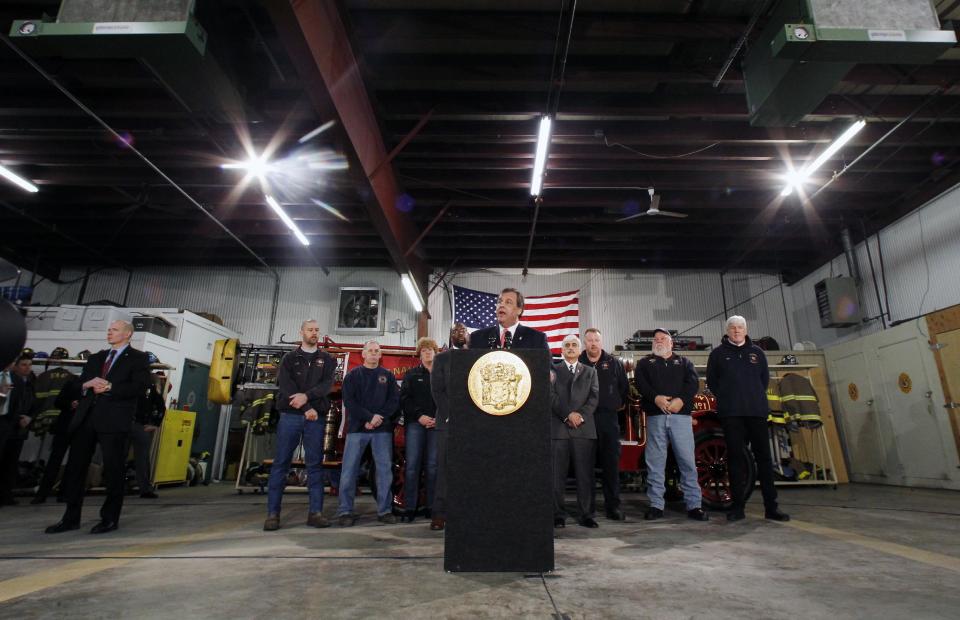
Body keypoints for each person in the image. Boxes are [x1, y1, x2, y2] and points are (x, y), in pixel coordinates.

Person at [45, 320, 151, 534]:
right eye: (109, 329)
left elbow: (140, 387)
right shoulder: (96, 358)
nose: (109, 332)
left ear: (128, 334)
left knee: (113, 470)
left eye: (115, 329)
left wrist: (111, 387)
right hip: (86, 419)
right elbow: (78, 384)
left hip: (114, 420)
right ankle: (70, 517)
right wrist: (86, 385)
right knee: (76, 470)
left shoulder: (138, 359)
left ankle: (110, 518)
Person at [706, 316, 790, 523]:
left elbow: (763, 380)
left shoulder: (757, 353)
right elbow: (712, 382)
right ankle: (737, 507)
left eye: (740, 327)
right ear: (727, 331)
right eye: (733, 328)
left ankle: (771, 507)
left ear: (746, 330)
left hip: (756, 413)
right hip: (731, 414)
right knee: (735, 460)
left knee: (764, 460)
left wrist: (751, 398)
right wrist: (729, 399)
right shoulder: (717, 354)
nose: (736, 331)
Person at [264, 320, 336, 531]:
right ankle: (273, 515)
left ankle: (315, 513)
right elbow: (286, 386)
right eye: (310, 330)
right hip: (291, 415)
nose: (314, 333)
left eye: (316, 330)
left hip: (316, 417)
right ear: (301, 332)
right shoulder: (289, 358)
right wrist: (306, 408)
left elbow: (326, 386)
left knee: (315, 465)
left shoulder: (327, 359)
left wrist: (306, 397)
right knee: (281, 464)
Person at [634, 328, 708, 522]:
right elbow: (641, 384)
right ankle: (656, 505)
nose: (658, 341)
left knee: (687, 461)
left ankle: (694, 505)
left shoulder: (684, 363)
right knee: (655, 462)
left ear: (671, 343)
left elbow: (692, 384)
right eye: (656, 339)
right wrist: (656, 398)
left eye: (663, 338)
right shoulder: (644, 363)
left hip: (681, 417)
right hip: (656, 417)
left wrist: (680, 401)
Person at [336, 340, 400, 526]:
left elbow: (394, 401)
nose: (373, 353)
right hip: (357, 429)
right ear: (363, 354)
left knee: (384, 471)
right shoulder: (353, 376)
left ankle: (385, 511)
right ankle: (345, 511)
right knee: (349, 471)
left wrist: (379, 417)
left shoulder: (387, 376)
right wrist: (368, 418)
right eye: (370, 350)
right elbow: (349, 401)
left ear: (381, 355)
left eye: (377, 351)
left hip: (382, 430)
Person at [579, 328, 630, 520]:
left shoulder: (613, 363)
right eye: (590, 340)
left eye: (596, 340)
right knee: (586, 466)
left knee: (610, 465)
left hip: (608, 419)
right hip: (585, 420)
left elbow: (623, 389)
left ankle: (613, 507)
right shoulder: (579, 362)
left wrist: (614, 404)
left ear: (601, 342)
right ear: (585, 343)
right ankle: (587, 509)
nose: (593, 343)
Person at [551, 335, 599, 528]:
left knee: (585, 475)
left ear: (580, 350)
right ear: (561, 350)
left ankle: (586, 514)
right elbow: (550, 395)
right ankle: (557, 514)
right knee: (556, 476)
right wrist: (567, 415)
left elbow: (594, 398)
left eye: (574, 345)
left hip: (583, 430)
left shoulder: (590, 372)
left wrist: (580, 416)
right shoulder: (553, 370)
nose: (570, 348)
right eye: (567, 345)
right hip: (559, 430)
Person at [399, 337, 439, 522]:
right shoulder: (411, 375)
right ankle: (409, 508)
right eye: (424, 350)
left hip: (436, 425)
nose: (427, 352)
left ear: (435, 352)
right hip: (416, 424)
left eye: (430, 349)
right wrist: (419, 416)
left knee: (432, 467)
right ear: (419, 353)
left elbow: (448, 399)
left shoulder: (442, 375)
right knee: (412, 467)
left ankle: (431, 507)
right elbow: (405, 399)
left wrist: (439, 418)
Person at [32, 374, 82, 504]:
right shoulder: (72, 384)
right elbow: (58, 402)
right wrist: (71, 404)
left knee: (74, 463)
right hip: (65, 427)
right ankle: (42, 493)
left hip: (81, 429)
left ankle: (64, 493)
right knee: (55, 460)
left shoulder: (98, 386)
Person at [0, 354, 34, 506]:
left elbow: (21, 403)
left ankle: (6, 495)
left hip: (12, 425)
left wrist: (26, 417)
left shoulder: (18, 381)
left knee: (10, 463)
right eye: (23, 364)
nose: (27, 368)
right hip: (4, 423)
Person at [468, 288, 549, 350]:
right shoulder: (477, 337)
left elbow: (549, 370)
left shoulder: (537, 339)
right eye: (499, 302)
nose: (501, 305)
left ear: (519, 310)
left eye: (508, 302)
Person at [131, 382, 166, 500]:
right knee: (117, 455)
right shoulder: (123, 382)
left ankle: (145, 488)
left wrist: (155, 424)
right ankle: (115, 486)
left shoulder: (149, 387)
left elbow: (161, 406)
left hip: (140, 424)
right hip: (123, 423)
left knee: (142, 458)